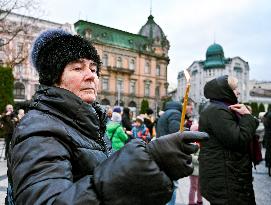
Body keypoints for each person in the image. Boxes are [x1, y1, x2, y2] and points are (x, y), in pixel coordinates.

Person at [7, 29, 208, 205]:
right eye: (78, 68)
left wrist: (154, 164)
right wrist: (141, 162)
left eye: (93, 69)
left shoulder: (91, 123)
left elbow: (102, 181)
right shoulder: (39, 129)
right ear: (54, 78)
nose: (91, 76)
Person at [199, 75, 259, 205]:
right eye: (234, 89)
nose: (238, 92)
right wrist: (248, 117)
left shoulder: (218, 107)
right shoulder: (219, 110)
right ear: (224, 91)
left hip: (227, 174)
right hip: (227, 177)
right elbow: (238, 140)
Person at [156, 100, 183, 205]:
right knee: (171, 186)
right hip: (170, 154)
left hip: (161, 152)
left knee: (165, 185)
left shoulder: (165, 114)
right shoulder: (175, 114)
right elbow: (176, 133)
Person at [188, 123, 202, 205]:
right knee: (193, 187)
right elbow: (190, 156)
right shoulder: (191, 143)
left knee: (200, 187)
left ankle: (200, 201)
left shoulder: (202, 142)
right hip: (194, 170)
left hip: (201, 169)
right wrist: (200, 158)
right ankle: (191, 202)